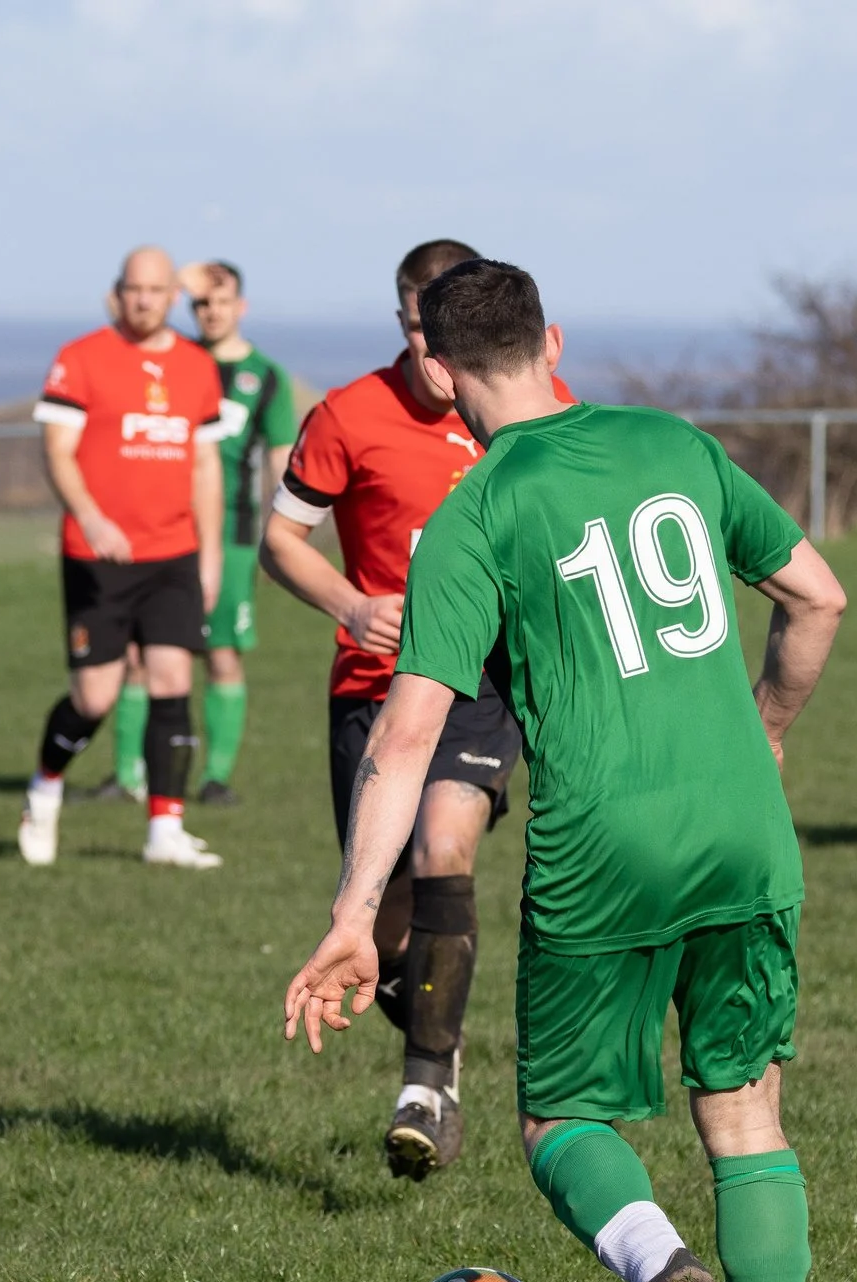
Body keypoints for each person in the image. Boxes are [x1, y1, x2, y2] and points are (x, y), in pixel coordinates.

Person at [283, 259, 847, 1282]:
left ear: (435, 367)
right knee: (745, 1116)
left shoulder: (475, 514)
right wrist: (769, 736)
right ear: (553, 337)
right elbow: (817, 598)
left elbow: (409, 727)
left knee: (560, 1119)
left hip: (605, 839)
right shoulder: (674, 444)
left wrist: (351, 908)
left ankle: (661, 1265)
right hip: (745, 826)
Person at [261, 240, 571, 1181]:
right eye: (412, 327)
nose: (428, 352)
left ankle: (426, 1084)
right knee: (391, 929)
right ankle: (437, 1024)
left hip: (481, 684)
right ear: (403, 322)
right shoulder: (348, 416)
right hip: (372, 683)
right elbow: (279, 538)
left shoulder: (525, 415)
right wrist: (350, 604)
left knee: (447, 841)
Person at [17, 245, 228, 870]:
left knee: (172, 680)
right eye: (134, 289)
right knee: (95, 698)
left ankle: (165, 828)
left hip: (173, 554)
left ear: (172, 297)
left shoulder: (196, 367)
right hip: (98, 554)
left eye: (157, 290)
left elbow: (206, 465)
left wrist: (209, 554)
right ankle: (45, 787)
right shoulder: (80, 359)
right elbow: (57, 450)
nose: (144, 300)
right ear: (118, 293)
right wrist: (90, 516)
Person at [79, 262, 298, 808]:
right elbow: (121, 313)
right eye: (201, 303)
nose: (212, 312)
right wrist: (174, 277)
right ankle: (128, 778)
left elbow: (280, 463)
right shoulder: (172, 361)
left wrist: (284, 541)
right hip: (164, 530)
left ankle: (215, 777)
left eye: (222, 302)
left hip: (234, 535)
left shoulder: (266, 377)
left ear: (241, 307)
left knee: (221, 653)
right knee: (137, 654)